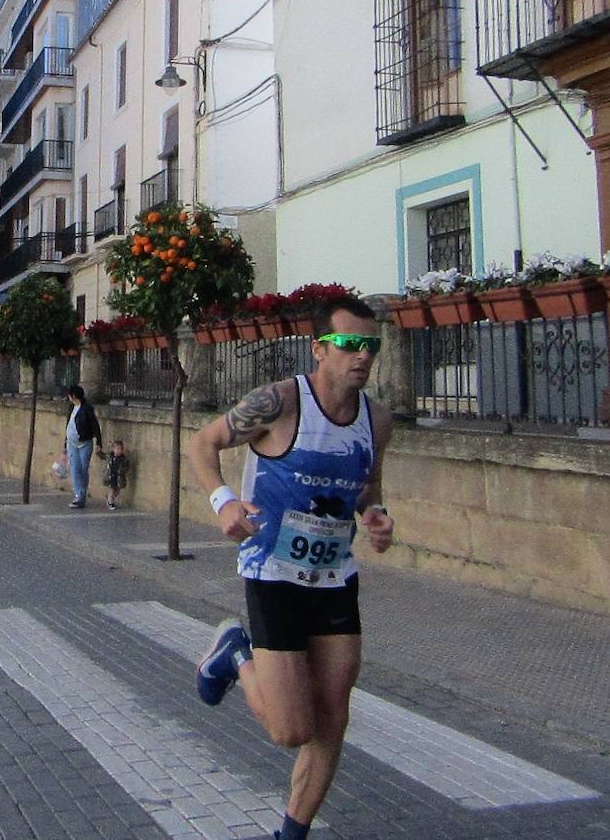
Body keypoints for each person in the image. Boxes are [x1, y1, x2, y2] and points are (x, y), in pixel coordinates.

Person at [187, 295, 396, 840]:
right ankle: (235, 655)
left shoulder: (377, 420)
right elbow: (204, 443)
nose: (362, 356)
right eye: (350, 344)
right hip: (274, 575)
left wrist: (375, 517)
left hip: (333, 579)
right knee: (290, 728)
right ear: (320, 349)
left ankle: (291, 834)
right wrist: (225, 503)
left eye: (370, 346)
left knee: (332, 720)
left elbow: (366, 489)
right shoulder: (279, 403)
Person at [64, 385, 102, 509]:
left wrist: (99, 443)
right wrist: (65, 443)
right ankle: (79, 495)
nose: (69, 397)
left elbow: (95, 425)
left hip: (84, 443)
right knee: (75, 469)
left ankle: (82, 494)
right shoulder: (71, 408)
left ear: (73, 396)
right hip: (72, 444)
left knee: (83, 469)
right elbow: (69, 425)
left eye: (70, 395)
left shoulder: (87, 408)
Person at [101, 439, 130, 510]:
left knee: (117, 490)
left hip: (119, 477)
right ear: (113, 449)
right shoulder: (110, 456)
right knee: (112, 489)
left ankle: (110, 498)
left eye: (121, 449)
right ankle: (110, 502)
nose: (119, 451)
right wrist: (99, 452)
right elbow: (103, 456)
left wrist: (124, 471)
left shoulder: (124, 459)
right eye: (117, 449)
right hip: (110, 476)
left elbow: (127, 467)